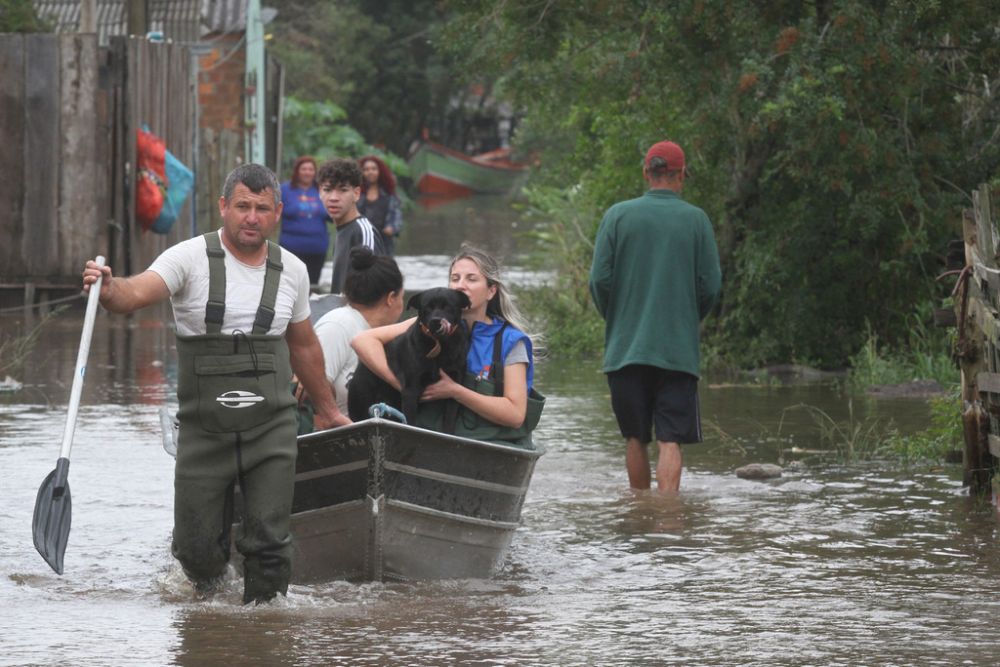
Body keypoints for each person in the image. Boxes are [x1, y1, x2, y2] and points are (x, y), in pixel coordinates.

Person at [81, 163, 349, 605]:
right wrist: (108, 289)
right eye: (242, 206)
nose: (251, 217)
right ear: (224, 207)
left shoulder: (294, 271)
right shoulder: (187, 258)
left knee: (269, 542)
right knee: (196, 551)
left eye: (262, 208)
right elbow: (134, 294)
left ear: (277, 213)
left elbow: (304, 347)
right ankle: (211, 614)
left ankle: (264, 631)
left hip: (272, 429)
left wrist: (327, 408)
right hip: (204, 430)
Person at [589, 140, 722, 494]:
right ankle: (667, 520)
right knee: (670, 440)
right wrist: (688, 317)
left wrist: (617, 318)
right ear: (682, 175)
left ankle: (638, 514)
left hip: (625, 348)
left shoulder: (617, 215)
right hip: (677, 351)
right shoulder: (696, 220)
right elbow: (710, 285)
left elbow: (599, 280)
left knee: (635, 438)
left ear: (646, 173)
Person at [352, 244, 543, 448]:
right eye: (455, 278)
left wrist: (455, 391)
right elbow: (362, 341)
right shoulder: (426, 326)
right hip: (435, 437)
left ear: (491, 291)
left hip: (491, 443)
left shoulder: (511, 341)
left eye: (471, 279)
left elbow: (514, 415)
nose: (461, 285)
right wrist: (403, 385)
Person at [313, 246, 405, 419]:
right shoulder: (338, 325)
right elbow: (309, 393)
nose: (403, 303)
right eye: (402, 297)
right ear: (391, 298)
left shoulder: (385, 335)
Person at [318, 158, 386, 295]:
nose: (333, 198)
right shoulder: (341, 231)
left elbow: (373, 291)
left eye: (342, 190)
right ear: (320, 192)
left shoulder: (363, 231)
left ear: (356, 194)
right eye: (327, 190)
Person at [278, 156, 329, 287]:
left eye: (311, 169)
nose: (307, 172)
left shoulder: (323, 190)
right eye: (304, 169)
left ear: (315, 172)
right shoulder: (285, 190)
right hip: (291, 247)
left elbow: (332, 215)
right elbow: (274, 212)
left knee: (311, 286)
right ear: (297, 171)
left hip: (317, 248)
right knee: (289, 285)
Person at [357, 155, 403, 256]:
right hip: (361, 243)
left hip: (384, 243)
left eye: (374, 169)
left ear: (380, 171)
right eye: (366, 169)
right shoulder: (357, 195)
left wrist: (392, 227)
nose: (370, 172)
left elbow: (397, 216)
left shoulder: (390, 195)